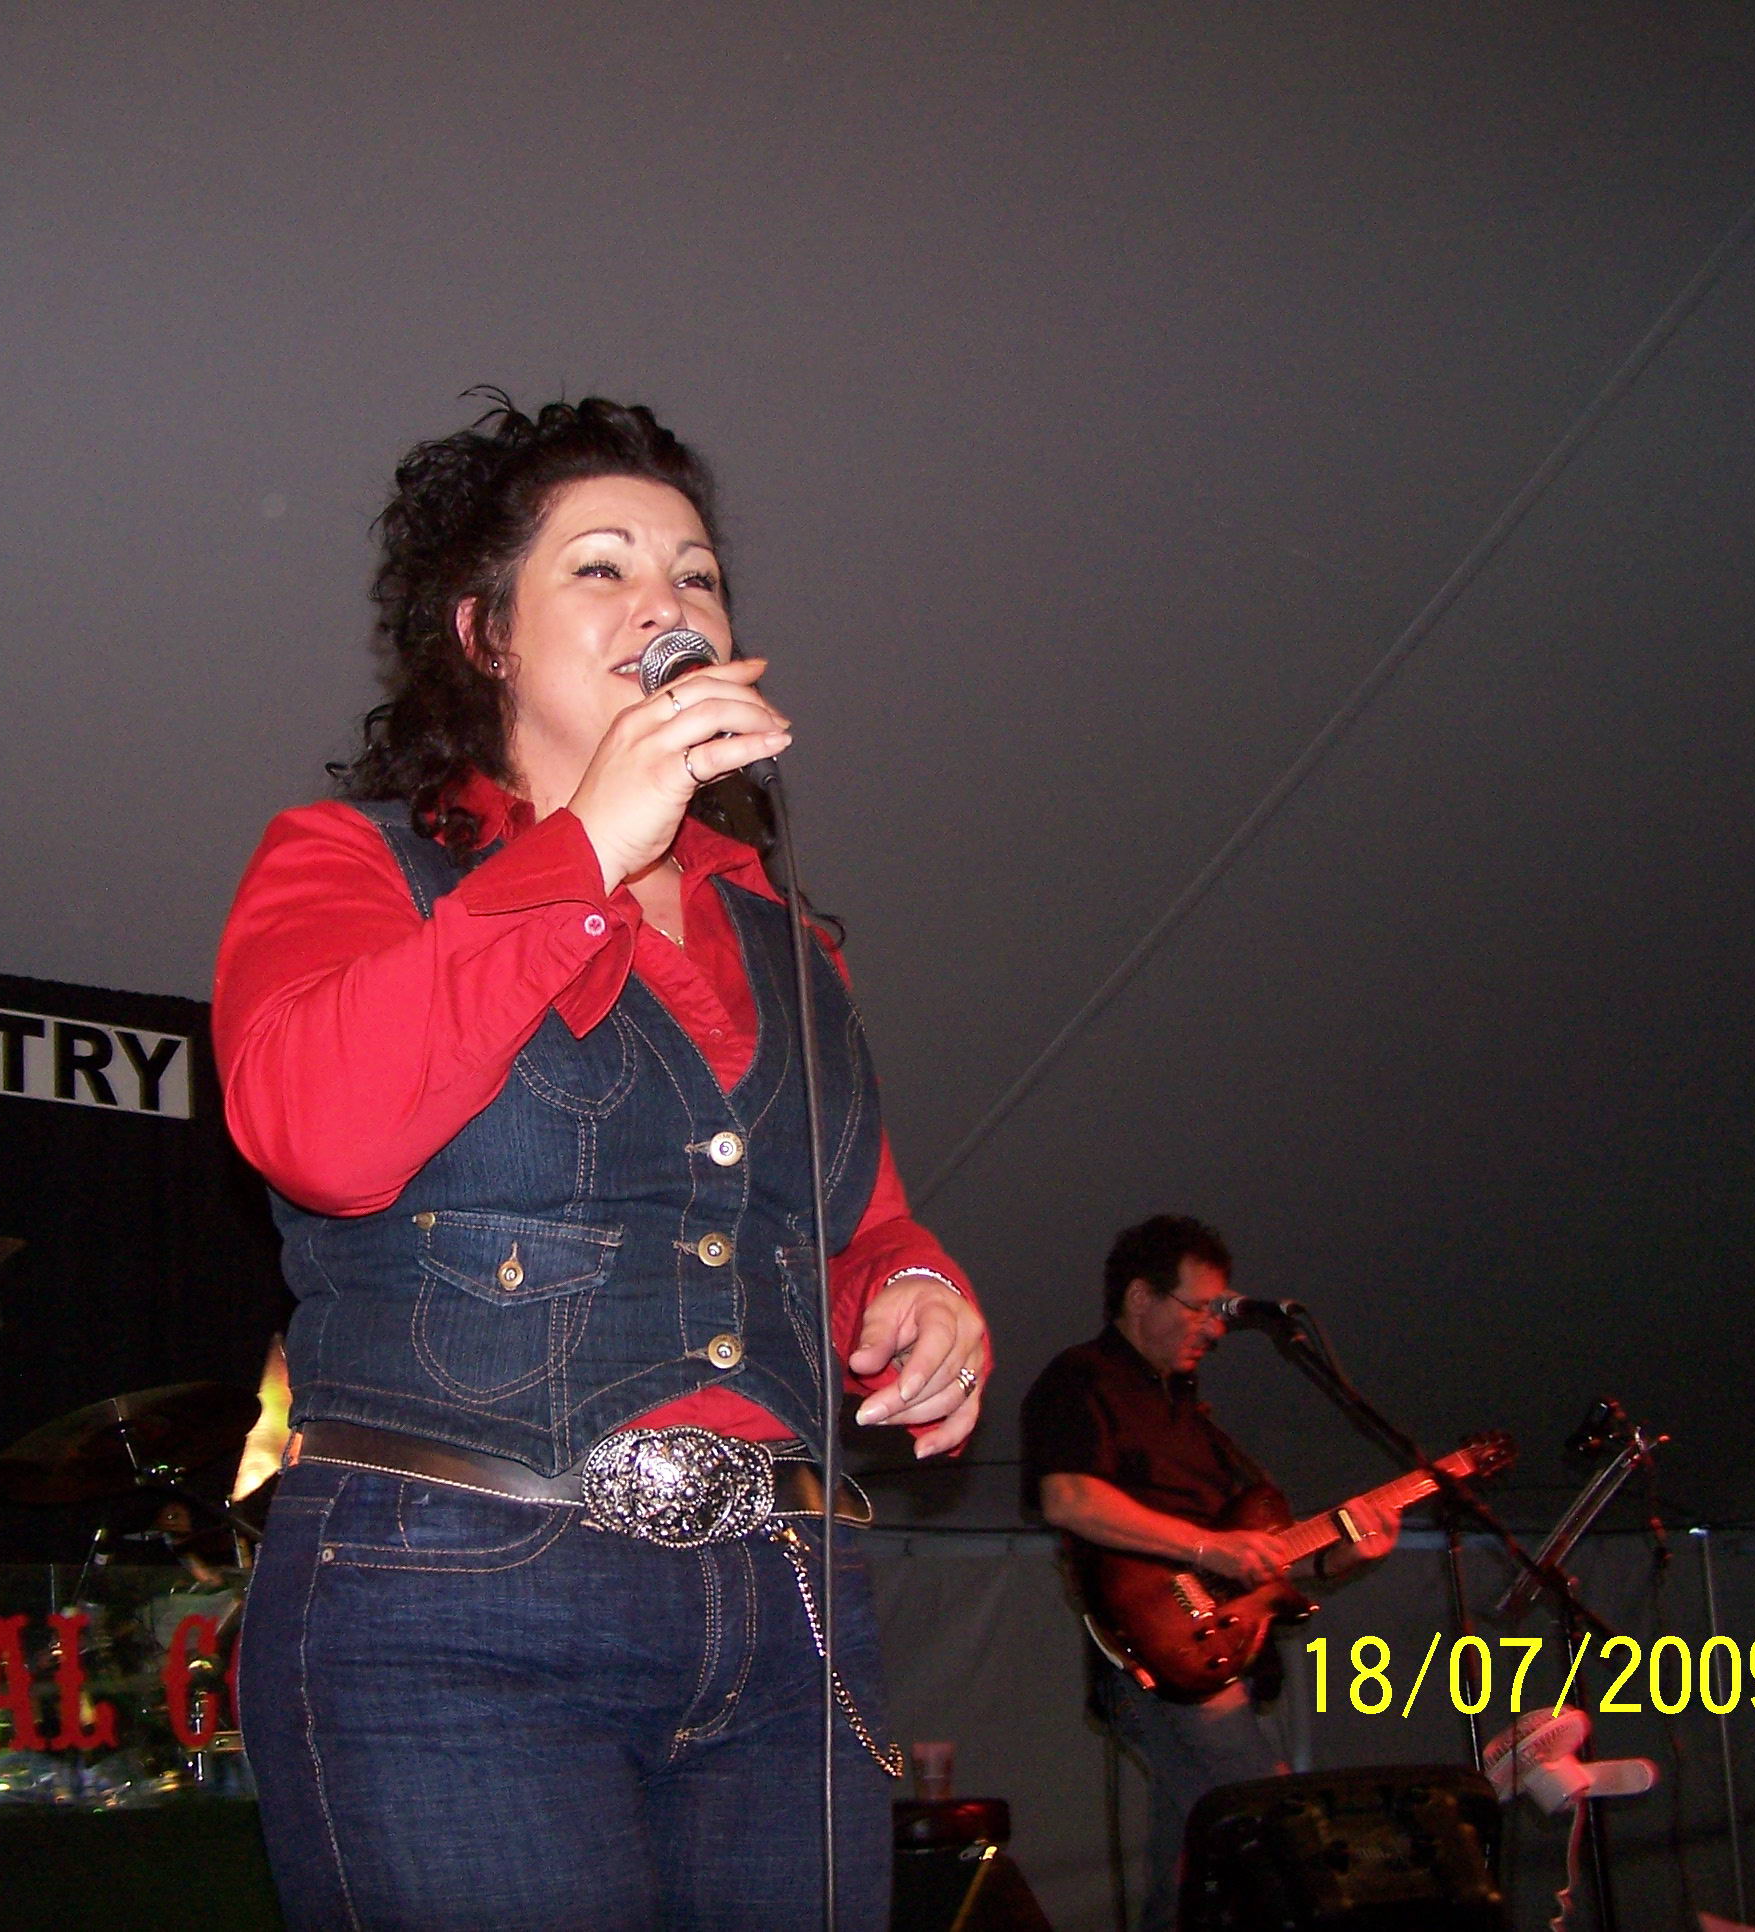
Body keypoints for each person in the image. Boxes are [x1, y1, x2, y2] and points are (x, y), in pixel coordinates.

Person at [212, 395, 989, 1930]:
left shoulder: (787, 940)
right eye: (603, 566)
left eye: (696, 575)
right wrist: (581, 853)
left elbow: (850, 1222)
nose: (665, 601)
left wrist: (912, 1288)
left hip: (788, 1604)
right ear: (485, 633)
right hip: (456, 1596)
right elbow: (318, 1133)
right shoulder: (349, 861)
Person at [1020, 1216, 1397, 1932]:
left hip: (1217, 1651)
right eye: (1201, 1308)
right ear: (1140, 1297)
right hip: (1156, 1653)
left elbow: (1250, 1553)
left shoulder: (1192, 1411)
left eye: (1222, 1312)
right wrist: (1205, 1549)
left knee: (1193, 1863)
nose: (1216, 1328)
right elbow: (1068, 1498)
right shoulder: (1081, 1379)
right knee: (1274, 1822)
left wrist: (1335, 1554)